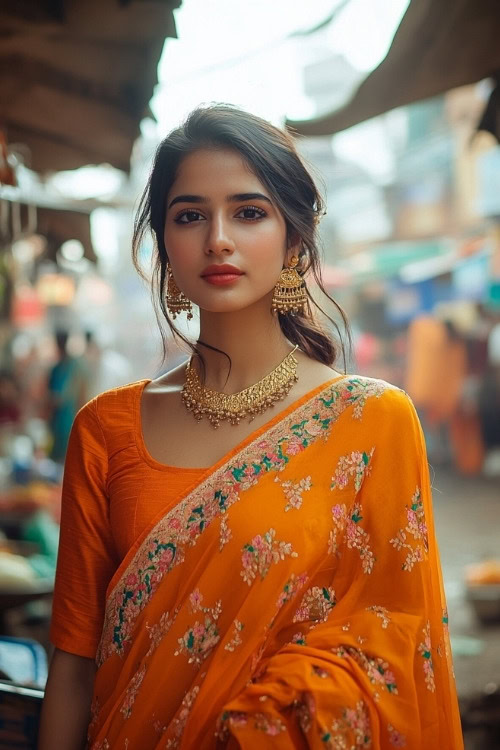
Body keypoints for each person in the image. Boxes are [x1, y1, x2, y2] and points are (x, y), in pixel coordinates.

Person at [39, 105, 463, 749]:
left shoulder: (371, 421)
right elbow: (73, 663)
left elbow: (402, 646)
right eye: (189, 216)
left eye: (248, 211)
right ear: (163, 243)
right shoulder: (105, 429)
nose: (218, 239)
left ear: (294, 240)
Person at [46, 330, 87, 462]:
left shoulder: (73, 367)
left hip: (68, 419)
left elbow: (75, 394)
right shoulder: (57, 368)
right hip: (58, 420)